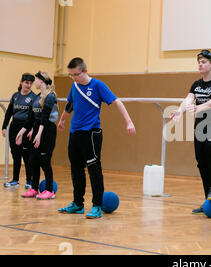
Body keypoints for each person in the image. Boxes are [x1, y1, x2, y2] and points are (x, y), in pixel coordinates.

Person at [57, 57, 136, 219]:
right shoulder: (75, 86)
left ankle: (97, 206)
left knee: (94, 169)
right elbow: (70, 105)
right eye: (70, 75)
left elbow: (117, 102)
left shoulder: (98, 85)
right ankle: (78, 204)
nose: (73, 78)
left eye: (75, 75)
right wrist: (63, 119)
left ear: (84, 71)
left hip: (91, 133)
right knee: (76, 169)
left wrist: (129, 122)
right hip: (75, 133)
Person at [171, 50, 211, 214]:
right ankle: (208, 202)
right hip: (200, 125)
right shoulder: (196, 84)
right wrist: (181, 111)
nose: (200, 64)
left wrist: (199, 107)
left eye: (204, 61)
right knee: (201, 161)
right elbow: (188, 99)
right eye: (199, 62)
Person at [17, 71, 59, 200]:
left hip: (47, 131)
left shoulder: (50, 96)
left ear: (41, 81)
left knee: (45, 161)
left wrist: (39, 134)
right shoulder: (37, 97)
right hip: (36, 130)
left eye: (36, 80)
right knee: (33, 160)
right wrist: (22, 131)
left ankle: (49, 190)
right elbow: (31, 118)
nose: (34, 82)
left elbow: (45, 118)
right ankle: (34, 188)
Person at [2, 73, 37, 189]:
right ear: (21, 82)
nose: (29, 85)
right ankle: (15, 180)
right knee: (15, 154)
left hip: (26, 128)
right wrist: (4, 126)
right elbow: (9, 113)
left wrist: (31, 129)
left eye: (31, 83)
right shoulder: (15, 96)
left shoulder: (33, 97)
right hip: (14, 127)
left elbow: (34, 116)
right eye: (26, 82)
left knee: (26, 155)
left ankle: (29, 181)